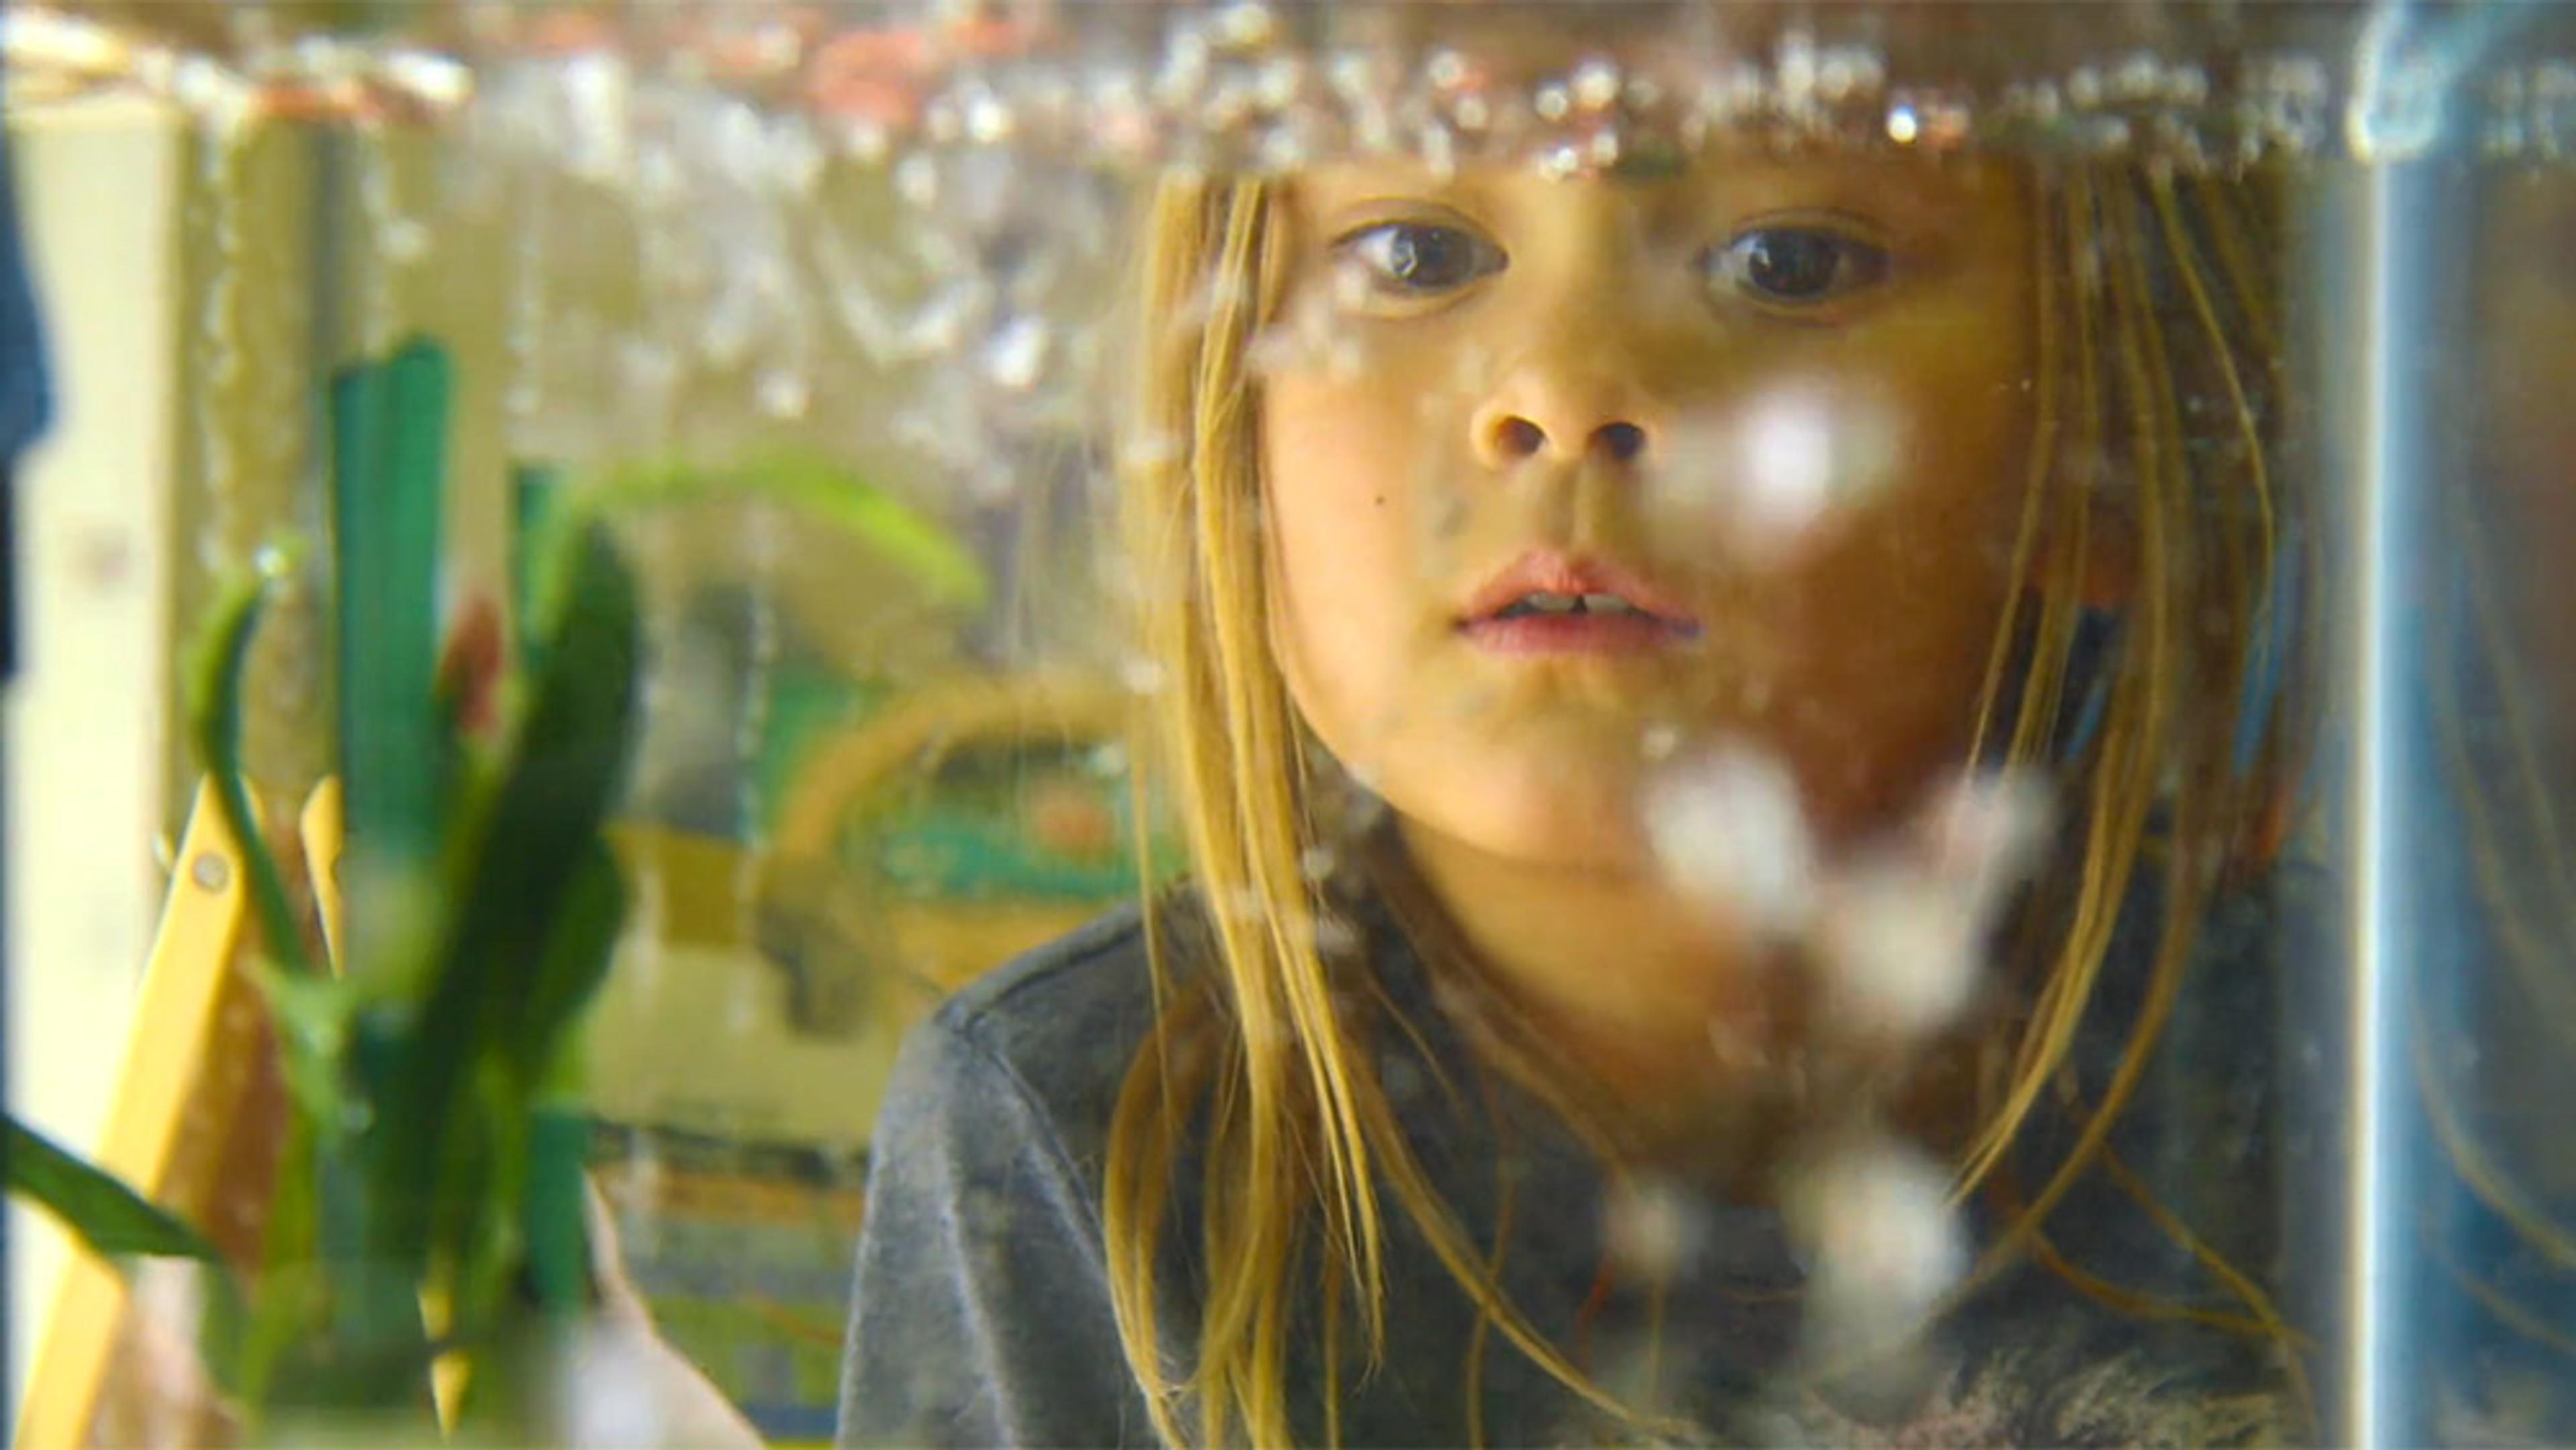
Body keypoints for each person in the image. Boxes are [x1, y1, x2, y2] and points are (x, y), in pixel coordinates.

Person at [836, 49, 2311, 1449]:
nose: (1559, 388)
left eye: (1787, 261)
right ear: (1227, 414)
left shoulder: (2375, 1067)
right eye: (1414, 255)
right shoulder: (1088, 1128)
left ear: (2108, 444)